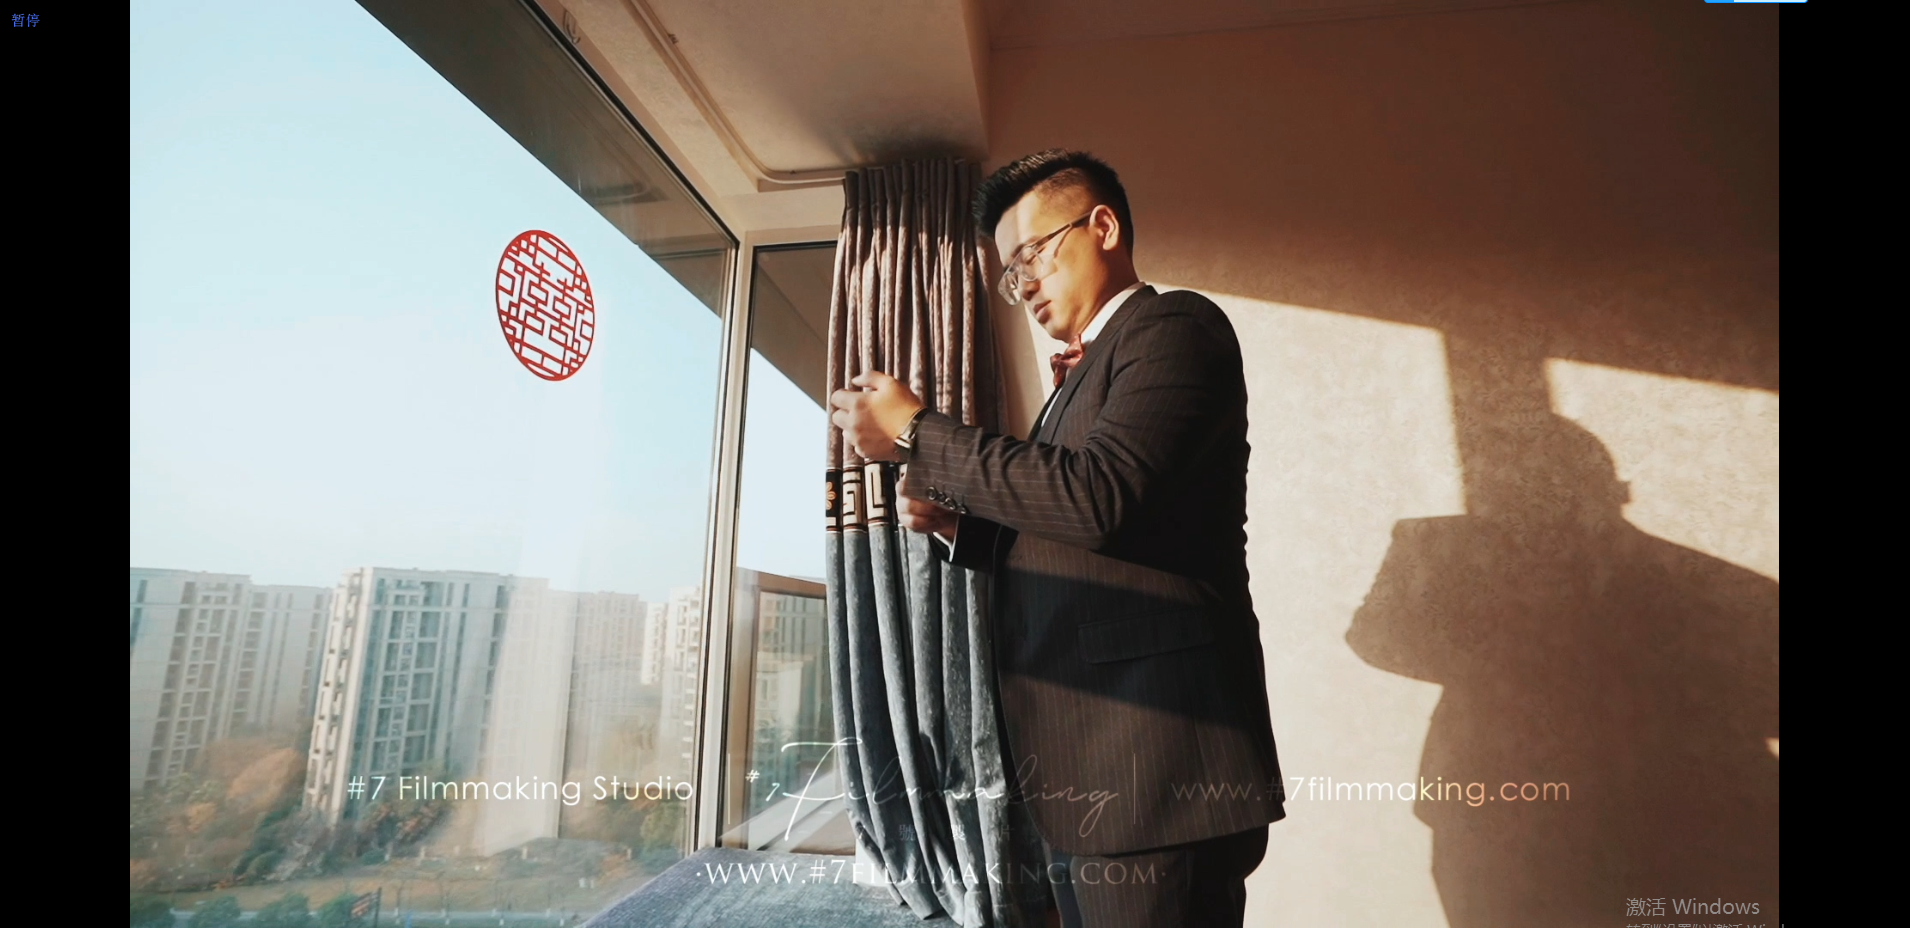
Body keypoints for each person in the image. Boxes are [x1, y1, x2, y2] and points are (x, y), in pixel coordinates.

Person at [829, 149, 1284, 928]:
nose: (1026, 284)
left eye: (1034, 253)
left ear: (1103, 226)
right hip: (1090, 773)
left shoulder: (1176, 327)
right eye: (1013, 273)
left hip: (1159, 774)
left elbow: (1099, 498)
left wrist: (916, 429)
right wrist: (965, 529)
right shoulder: (1072, 383)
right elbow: (1078, 527)